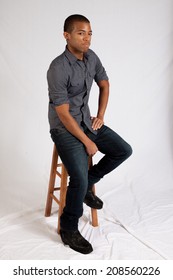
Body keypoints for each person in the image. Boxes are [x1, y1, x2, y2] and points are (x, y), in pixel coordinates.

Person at [47, 14, 132, 254]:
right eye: (81, 33)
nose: (87, 38)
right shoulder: (58, 68)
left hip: (86, 121)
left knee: (123, 150)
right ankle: (69, 228)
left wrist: (100, 115)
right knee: (79, 176)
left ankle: (86, 186)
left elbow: (104, 84)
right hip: (64, 129)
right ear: (67, 35)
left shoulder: (92, 58)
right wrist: (86, 141)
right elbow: (63, 113)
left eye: (90, 33)